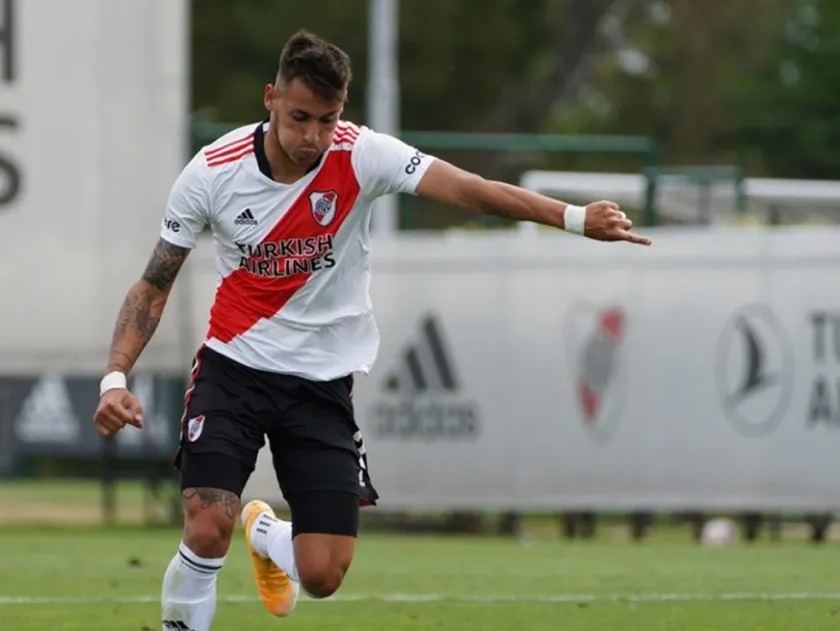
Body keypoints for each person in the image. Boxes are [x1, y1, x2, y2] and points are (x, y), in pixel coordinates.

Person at [92, 29, 651, 631]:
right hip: (236, 367)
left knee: (324, 575)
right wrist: (115, 377)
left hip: (322, 382)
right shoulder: (211, 172)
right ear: (270, 98)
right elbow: (154, 282)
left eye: (327, 121)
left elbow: (474, 191)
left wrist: (572, 218)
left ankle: (267, 533)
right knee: (206, 525)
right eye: (300, 117)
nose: (312, 137)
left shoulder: (363, 155)